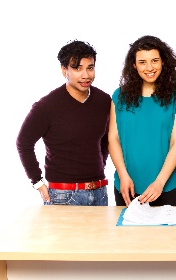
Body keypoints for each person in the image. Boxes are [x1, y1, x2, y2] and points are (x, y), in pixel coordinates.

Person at [16, 40, 111, 206]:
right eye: (77, 68)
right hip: (63, 195)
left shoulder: (104, 100)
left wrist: (100, 164)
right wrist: (37, 181)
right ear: (64, 70)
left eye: (90, 67)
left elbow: (107, 138)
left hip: (99, 192)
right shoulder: (47, 106)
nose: (86, 75)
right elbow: (24, 143)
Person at [108, 35, 176, 207]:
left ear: (163, 62)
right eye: (142, 62)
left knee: (166, 235)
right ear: (134, 65)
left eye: (154, 60)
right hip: (127, 186)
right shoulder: (119, 96)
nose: (149, 67)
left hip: (167, 186)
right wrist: (123, 176)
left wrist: (159, 182)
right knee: (127, 234)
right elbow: (113, 139)